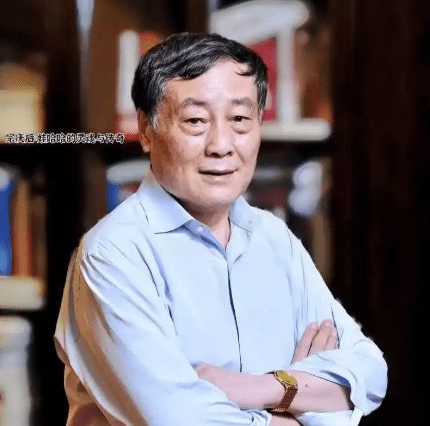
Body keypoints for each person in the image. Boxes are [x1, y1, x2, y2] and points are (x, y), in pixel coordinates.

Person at [54, 32, 387, 426]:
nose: (221, 145)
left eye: (239, 120)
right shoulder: (113, 254)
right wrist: (303, 405)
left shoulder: (274, 238)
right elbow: (177, 420)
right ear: (145, 129)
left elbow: (370, 375)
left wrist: (266, 388)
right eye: (195, 121)